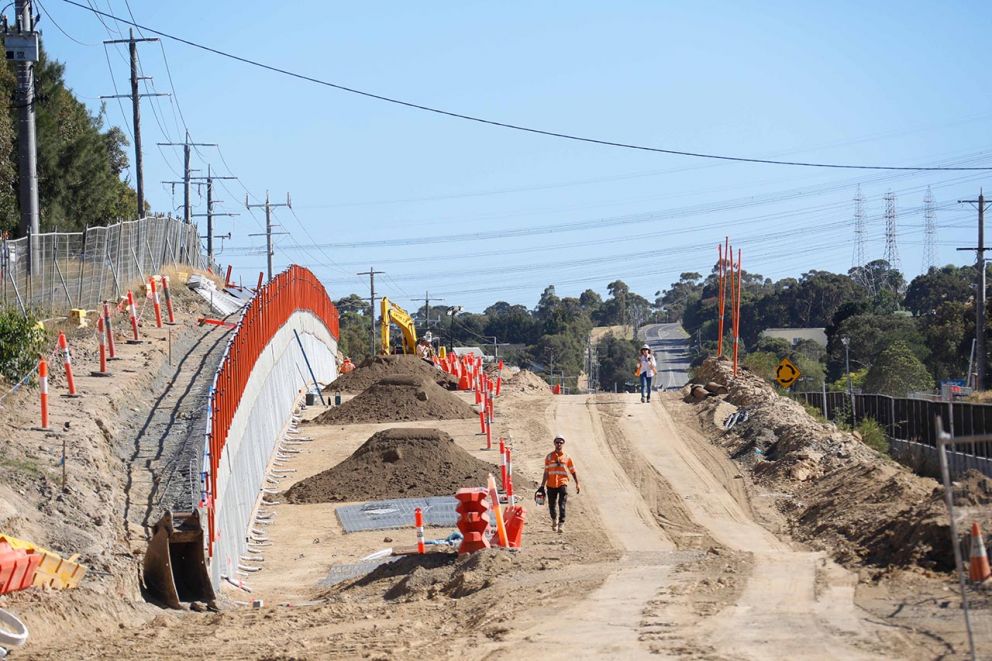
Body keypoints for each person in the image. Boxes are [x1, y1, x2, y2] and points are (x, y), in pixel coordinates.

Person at [536, 435, 579, 533]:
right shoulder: (549, 457)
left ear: (563, 444)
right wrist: (542, 486)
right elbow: (546, 472)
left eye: (561, 442)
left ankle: (561, 524)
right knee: (552, 505)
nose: (559, 444)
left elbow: (573, 471)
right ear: (554, 443)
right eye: (557, 442)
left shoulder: (567, 457)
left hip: (562, 483)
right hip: (551, 484)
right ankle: (554, 520)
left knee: (562, 504)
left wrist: (577, 483)